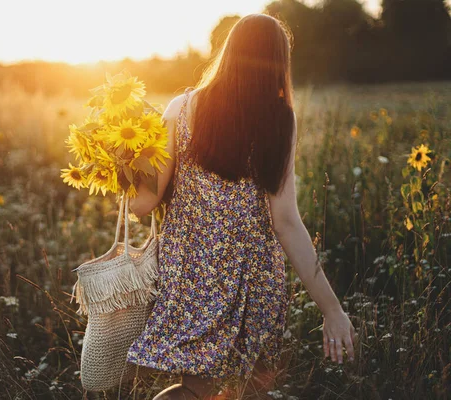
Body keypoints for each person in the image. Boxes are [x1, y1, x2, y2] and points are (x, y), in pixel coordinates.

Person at [125, 13, 357, 400]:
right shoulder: (280, 119)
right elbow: (286, 222)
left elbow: (143, 203)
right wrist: (332, 309)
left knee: (194, 389)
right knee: (257, 388)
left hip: (191, 272)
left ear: (229, 53)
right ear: (278, 63)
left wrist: (123, 164)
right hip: (255, 275)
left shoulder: (180, 108)